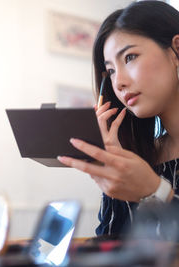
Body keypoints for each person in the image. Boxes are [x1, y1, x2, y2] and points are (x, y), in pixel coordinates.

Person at [57, 0, 179, 236]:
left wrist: (156, 191)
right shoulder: (139, 155)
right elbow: (112, 244)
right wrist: (116, 184)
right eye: (111, 71)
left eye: (130, 57)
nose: (119, 82)